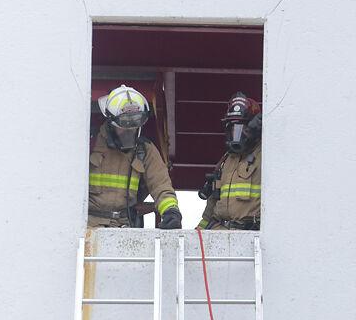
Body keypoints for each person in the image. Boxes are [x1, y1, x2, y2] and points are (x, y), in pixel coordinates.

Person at [88, 84, 182, 230]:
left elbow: (160, 185)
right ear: (110, 122)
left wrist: (171, 211)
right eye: (124, 124)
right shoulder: (90, 144)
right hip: (89, 226)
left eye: (135, 123)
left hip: (125, 226)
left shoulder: (145, 149)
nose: (129, 130)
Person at [198, 91, 262, 231]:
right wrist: (198, 232)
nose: (237, 135)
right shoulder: (226, 161)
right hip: (219, 232)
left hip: (248, 236)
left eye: (242, 128)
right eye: (232, 128)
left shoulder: (265, 157)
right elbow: (212, 205)